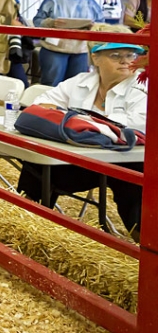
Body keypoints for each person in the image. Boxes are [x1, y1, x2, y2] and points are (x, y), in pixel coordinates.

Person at [17, 34, 146, 243]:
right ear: (95, 58)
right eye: (115, 55)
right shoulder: (80, 81)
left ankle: (145, 246)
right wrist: (91, 124)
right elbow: (41, 103)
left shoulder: (142, 85)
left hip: (125, 160)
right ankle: (27, 223)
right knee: (37, 159)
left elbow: (139, 123)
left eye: (131, 55)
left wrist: (75, 120)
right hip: (82, 159)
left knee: (134, 179)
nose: (126, 61)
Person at [32, 0, 104, 86]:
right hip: (54, 49)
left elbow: (101, 23)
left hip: (80, 49)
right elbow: (37, 20)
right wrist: (50, 23)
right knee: (51, 83)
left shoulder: (89, 1)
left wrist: (93, 26)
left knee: (77, 85)